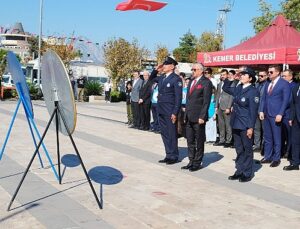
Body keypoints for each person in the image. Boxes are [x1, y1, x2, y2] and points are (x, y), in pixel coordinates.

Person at [223, 67, 260, 182]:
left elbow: (253, 112)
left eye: (244, 75)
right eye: (242, 74)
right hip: (235, 123)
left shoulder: (254, 91)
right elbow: (226, 88)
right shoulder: (239, 88)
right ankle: (239, 171)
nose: (242, 76)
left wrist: (250, 127)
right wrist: (231, 78)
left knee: (247, 149)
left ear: (250, 78)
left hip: (245, 124)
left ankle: (247, 173)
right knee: (239, 149)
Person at [150, 57, 183, 164]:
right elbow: (151, 79)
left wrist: (175, 112)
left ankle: (174, 156)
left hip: (170, 111)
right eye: (163, 64)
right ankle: (168, 154)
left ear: (172, 66)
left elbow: (178, 98)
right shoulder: (162, 77)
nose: (164, 66)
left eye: (166, 64)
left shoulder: (176, 79)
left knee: (172, 133)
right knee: (164, 133)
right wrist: (156, 69)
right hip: (161, 110)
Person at [181, 63, 212, 171]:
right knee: (190, 140)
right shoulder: (191, 82)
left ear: (200, 70)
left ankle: (197, 162)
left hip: (199, 117)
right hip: (189, 116)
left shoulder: (206, 82)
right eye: (192, 69)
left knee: (199, 141)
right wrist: (185, 115)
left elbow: (206, 102)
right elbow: (188, 101)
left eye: (194, 69)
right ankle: (191, 160)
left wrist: (202, 116)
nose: (192, 71)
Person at [259, 65, 291, 167]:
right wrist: (261, 111)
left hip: (276, 114)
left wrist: (280, 113)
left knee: (277, 137)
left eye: (271, 72)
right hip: (266, 114)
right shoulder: (268, 83)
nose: (269, 74)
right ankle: (268, 156)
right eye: (268, 72)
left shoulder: (284, 84)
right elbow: (263, 98)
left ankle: (276, 158)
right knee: (267, 137)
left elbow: (286, 100)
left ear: (277, 73)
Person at [214, 69, 233, 148]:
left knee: (228, 125)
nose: (222, 76)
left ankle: (228, 141)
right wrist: (216, 106)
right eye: (221, 75)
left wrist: (229, 107)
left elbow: (232, 96)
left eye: (224, 74)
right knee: (221, 124)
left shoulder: (231, 83)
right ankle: (222, 140)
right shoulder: (220, 84)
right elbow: (217, 95)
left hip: (226, 106)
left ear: (227, 75)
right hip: (219, 106)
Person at [281, 69, 297, 159]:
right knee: (282, 134)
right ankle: (282, 150)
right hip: (281, 114)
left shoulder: (293, 86)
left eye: (284, 76)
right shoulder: (283, 85)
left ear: (290, 77)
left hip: (288, 114)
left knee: (289, 135)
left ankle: (289, 151)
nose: (282, 78)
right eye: (282, 76)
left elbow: (289, 101)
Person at [284, 83, 300, 170]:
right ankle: (295, 163)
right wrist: (291, 117)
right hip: (296, 119)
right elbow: (293, 103)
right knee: (295, 141)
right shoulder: (296, 87)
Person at [253, 70, 268, 152]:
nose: (260, 77)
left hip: (264, 111)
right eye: (259, 75)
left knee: (264, 130)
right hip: (256, 109)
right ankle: (257, 145)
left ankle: (264, 146)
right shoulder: (257, 84)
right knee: (256, 128)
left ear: (266, 76)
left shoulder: (268, 85)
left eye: (262, 76)